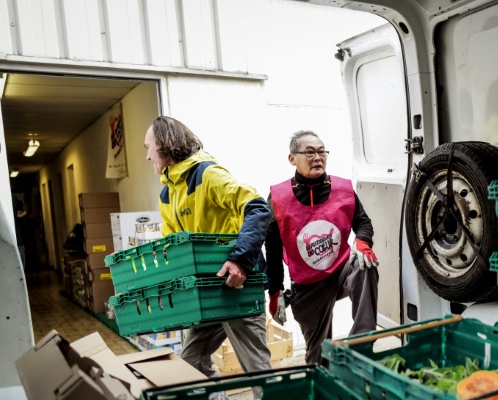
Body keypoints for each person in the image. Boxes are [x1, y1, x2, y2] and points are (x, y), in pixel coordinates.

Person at [144, 116, 272, 379]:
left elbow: (257, 208)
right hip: (206, 291)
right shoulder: (167, 194)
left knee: (256, 369)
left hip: (239, 285)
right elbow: (173, 249)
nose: (147, 156)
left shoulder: (207, 174)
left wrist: (240, 261)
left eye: (148, 147)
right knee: (191, 365)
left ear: (165, 145)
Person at [265, 130, 379, 364]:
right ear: (292, 159)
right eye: (309, 152)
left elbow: (362, 221)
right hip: (307, 285)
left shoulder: (343, 189)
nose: (318, 157)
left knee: (365, 266)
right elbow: (273, 248)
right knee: (318, 359)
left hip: (341, 271)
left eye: (321, 152)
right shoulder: (278, 197)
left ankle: (361, 344)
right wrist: (275, 291)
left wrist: (363, 242)